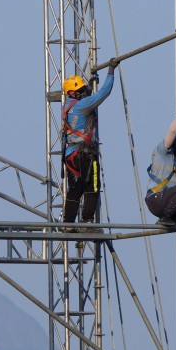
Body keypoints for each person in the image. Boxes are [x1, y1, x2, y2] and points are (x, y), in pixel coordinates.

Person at [61, 57, 119, 229]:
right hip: (85, 153)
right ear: (73, 92)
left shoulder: (68, 107)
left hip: (71, 156)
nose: (83, 92)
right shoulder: (83, 106)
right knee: (92, 187)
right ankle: (87, 221)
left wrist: (88, 84)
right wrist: (111, 71)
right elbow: (104, 93)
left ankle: (68, 223)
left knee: (75, 190)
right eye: (80, 90)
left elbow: (86, 98)